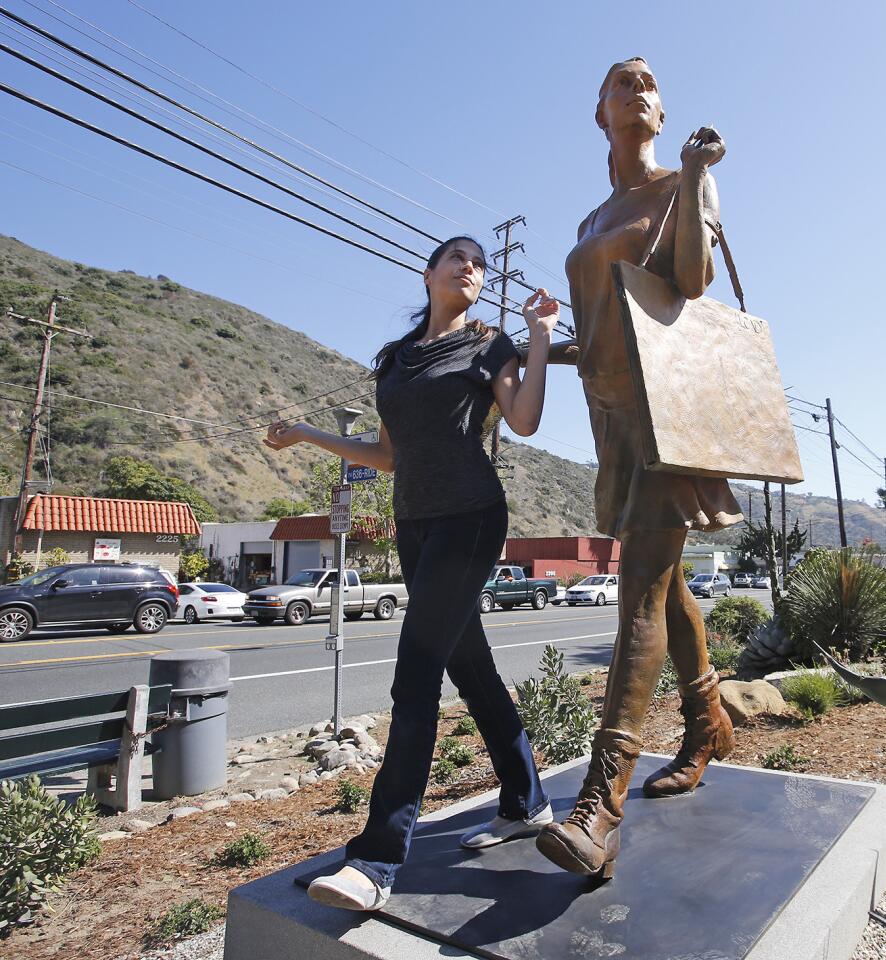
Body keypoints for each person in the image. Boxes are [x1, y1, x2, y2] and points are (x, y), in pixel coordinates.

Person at [264, 236, 559, 911]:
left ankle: (375, 862)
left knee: (415, 675)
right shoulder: (394, 361)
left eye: (479, 263)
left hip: (471, 518)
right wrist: (308, 434)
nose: (470, 267)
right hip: (415, 524)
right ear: (427, 274)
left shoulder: (489, 344)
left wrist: (537, 338)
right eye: (456, 257)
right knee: (473, 671)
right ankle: (526, 802)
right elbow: (389, 456)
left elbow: (525, 419)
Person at [535, 58, 742, 881]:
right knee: (669, 582)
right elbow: (600, 332)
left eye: (651, 83)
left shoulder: (678, 183)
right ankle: (708, 723)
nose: (642, 91)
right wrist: (530, 349)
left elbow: (687, 282)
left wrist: (693, 176)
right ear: (600, 113)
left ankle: (601, 804)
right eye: (624, 83)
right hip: (610, 416)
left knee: (640, 589)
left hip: (668, 412)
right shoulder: (594, 214)